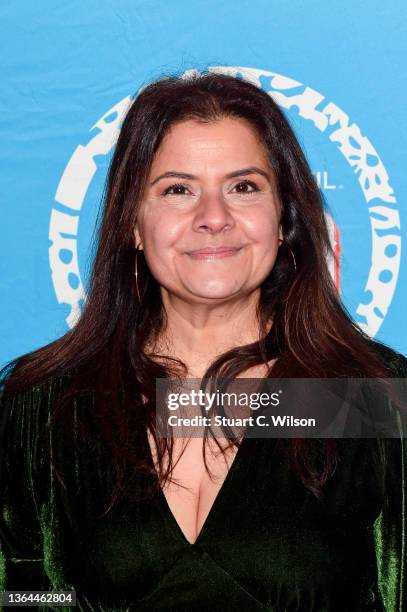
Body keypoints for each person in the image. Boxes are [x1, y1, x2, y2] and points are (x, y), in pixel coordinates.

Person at [0, 70, 406, 612]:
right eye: (177, 189)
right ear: (134, 225)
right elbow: (23, 597)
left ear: (283, 219)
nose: (213, 217)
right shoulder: (43, 407)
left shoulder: (374, 401)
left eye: (243, 187)